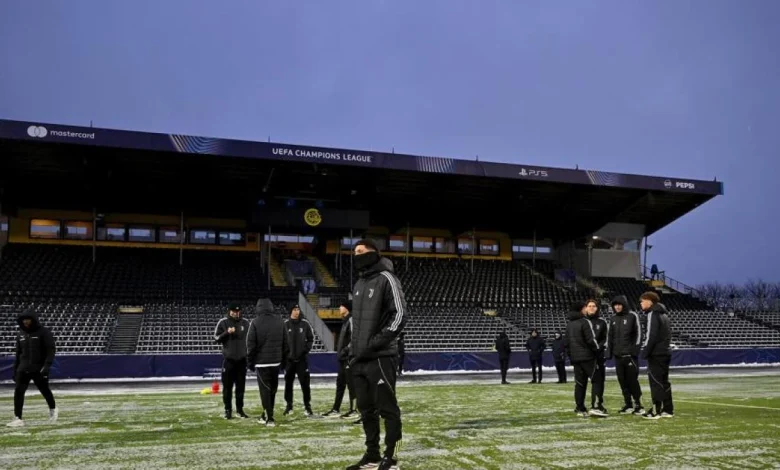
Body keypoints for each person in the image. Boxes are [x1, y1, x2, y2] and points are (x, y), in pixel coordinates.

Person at [346, 239, 407, 470]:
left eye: (360, 252)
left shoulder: (387, 278)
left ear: (373, 253)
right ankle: (372, 455)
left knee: (388, 409)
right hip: (359, 359)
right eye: (354, 252)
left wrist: (374, 344)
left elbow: (400, 316)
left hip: (381, 357)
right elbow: (357, 324)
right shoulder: (359, 283)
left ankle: (391, 458)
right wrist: (353, 350)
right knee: (366, 409)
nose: (357, 255)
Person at [7, 310, 58, 427]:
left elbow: (50, 351)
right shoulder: (20, 334)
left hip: (38, 369)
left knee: (45, 390)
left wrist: (46, 366)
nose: (25, 322)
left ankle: (53, 410)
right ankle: (18, 418)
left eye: (28, 319)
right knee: (18, 392)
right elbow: (18, 354)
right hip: (22, 368)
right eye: (23, 320)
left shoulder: (44, 332)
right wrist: (15, 370)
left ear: (33, 319)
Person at [246, 298, 289, 427]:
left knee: (265, 390)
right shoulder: (280, 321)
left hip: (262, 363)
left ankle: (269, 418)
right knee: (272, 390)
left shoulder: (255, 322)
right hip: (276, 362)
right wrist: (284, 361)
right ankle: (266, 414)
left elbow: (251, 345)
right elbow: (286, 344)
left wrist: (250, 362)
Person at [639, 292, 675, 419]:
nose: (641, 303)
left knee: (655, 381)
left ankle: (656, 410)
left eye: (642, 301)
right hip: (665, 352)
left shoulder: (652, 314)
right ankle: (668, 409)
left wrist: (645, 352)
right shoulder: (664, 314)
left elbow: (650, 336)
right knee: (664, 381)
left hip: (656, 353)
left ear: (649, 301)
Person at [608, 295, 645, 415]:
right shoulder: (613, 318)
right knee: (622, 381)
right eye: (615, 305)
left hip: (630, 356)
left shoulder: (632, 315)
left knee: (632, 381)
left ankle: (639, 405)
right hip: (618, 357)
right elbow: (610, 337)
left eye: (619, 304)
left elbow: (639, 334)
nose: (617, 307)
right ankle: (628, 404)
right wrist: (609, 352)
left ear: (624, 305)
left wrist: (634, 351)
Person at [213, 303, 251, 419]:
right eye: (234, 311)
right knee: (227, 388)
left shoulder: (245, 323)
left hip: (241, 361)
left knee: (241, 388)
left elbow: (250, 340)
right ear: (229, 311)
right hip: (229, 361)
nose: (236, 313)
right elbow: (216, 339)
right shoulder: (223, 322)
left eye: (238, 311)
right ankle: (228, 410)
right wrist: (226, 333)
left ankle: (240, 410)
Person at [565, 301, 600, 418]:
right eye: (585, 307)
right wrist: (598, 351)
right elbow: (591, 340)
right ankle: (596, 406)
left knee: (580, 383)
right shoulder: (585, 322)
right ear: (581, 309)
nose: (586, 309)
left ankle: (580, 407)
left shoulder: (569, 324)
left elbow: (567, 344)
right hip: (588, 357)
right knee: (597, 380)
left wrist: (571, 357)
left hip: (576, 358)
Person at [323, 301, 358, 419]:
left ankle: (354, 410)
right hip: (343, 359)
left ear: (346, 308)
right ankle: (336, 409)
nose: (339, 307)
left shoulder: (351, 320)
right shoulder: (345, 321)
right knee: (340, 384)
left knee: (351, 385)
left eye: (341, 306)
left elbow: (354, 340)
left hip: (349, 359)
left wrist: (345, 352)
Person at [283, 305, 314, 416]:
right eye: (295, 309)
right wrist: (286, 354)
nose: (297, 311)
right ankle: (289, 406)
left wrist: (305, 350)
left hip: (302, 360)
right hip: (289, 361)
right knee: (288, 384)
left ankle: (307, 406)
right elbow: (282, 341)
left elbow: (310, 339)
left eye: (298, 309)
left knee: (305, 384)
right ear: (291, 311)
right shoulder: (285, 325)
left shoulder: (305, 324)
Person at [585, 300, 609, 415]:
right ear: (586, 308)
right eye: (589, 306)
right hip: (585, 357)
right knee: (581, 382)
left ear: (597, 308)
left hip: (598, 356)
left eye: (593, 306)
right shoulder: (582, 322)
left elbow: (605, 339)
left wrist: (598, 348)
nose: (591, 308)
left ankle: (597, 403)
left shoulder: (602, 322)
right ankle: (580, 406)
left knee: (599, 381)